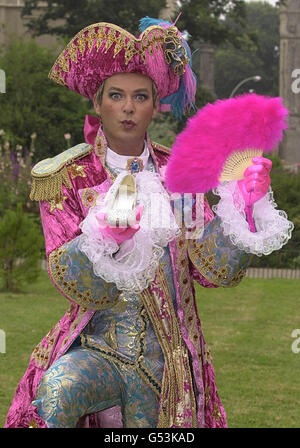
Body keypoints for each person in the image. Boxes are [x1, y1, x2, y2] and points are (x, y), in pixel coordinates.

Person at [5, 17, 293, 429]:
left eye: (140, 96)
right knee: (57, 391)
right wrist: (104, 238)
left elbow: (212, 270)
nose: (127, 107)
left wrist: (245, 206)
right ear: (98, 102)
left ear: (154, 104)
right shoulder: (67, 177)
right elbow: (65, 277)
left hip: (170, 358)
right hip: (98, 347)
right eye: (116, 95)